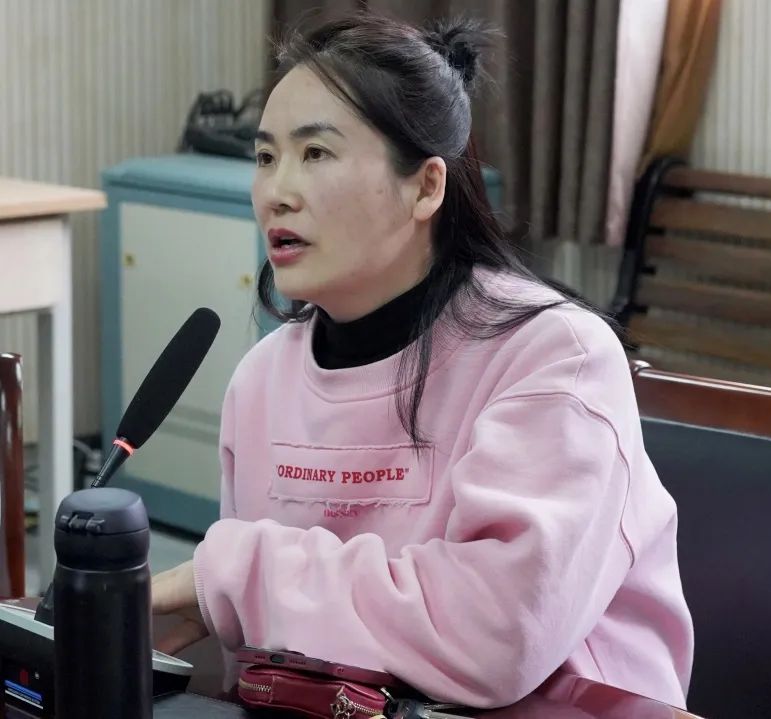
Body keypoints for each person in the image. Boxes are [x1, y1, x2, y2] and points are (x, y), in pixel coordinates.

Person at [151, 12, 694, 710]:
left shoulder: (555, 358)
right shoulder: (261, 381)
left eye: (315, 153)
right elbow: (261, 655)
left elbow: (494, 634)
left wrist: (238, 577)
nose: (277, 190)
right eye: (264, 157)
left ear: (426, 187)